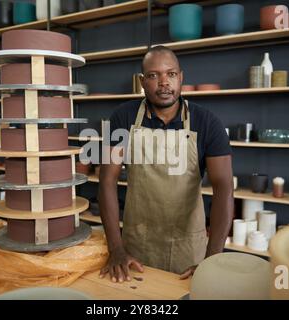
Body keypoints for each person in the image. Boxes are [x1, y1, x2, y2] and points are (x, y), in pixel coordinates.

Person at [98, 45, 234, 283]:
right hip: (135, 249)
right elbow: (106, 181)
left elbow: (224, 188)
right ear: (142, 81)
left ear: (181, 78)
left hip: (187, 249)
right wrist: (116, 248)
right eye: (153, 75)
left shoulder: (207, 122)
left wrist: (212, 260)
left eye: (170, 74)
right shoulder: (123, 117)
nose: (163, 83)